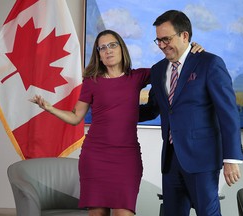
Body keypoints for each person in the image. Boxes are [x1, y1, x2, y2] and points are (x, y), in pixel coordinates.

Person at [30, 29, 203, 216]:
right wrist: (49, 108)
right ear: (99, 55)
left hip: (127, 158)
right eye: (102, 48)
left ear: (121, 48)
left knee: (124, 212)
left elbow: (171, 65)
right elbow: (75, 117)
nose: (108, 50)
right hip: (95, 156)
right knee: (98, 213)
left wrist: (189, 51)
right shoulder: (92, 81)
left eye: (112, 45)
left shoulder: (137, 77)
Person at [139, 10, 243, 216]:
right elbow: (153, 109)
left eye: (166, 39)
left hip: (202, 160)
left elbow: (228, 113)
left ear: (184, 36)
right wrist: (115, 113)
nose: (161, 45)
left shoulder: (210, 63)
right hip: (170, 161)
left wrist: (231, 158)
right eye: (158, 40)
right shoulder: (158, 69)